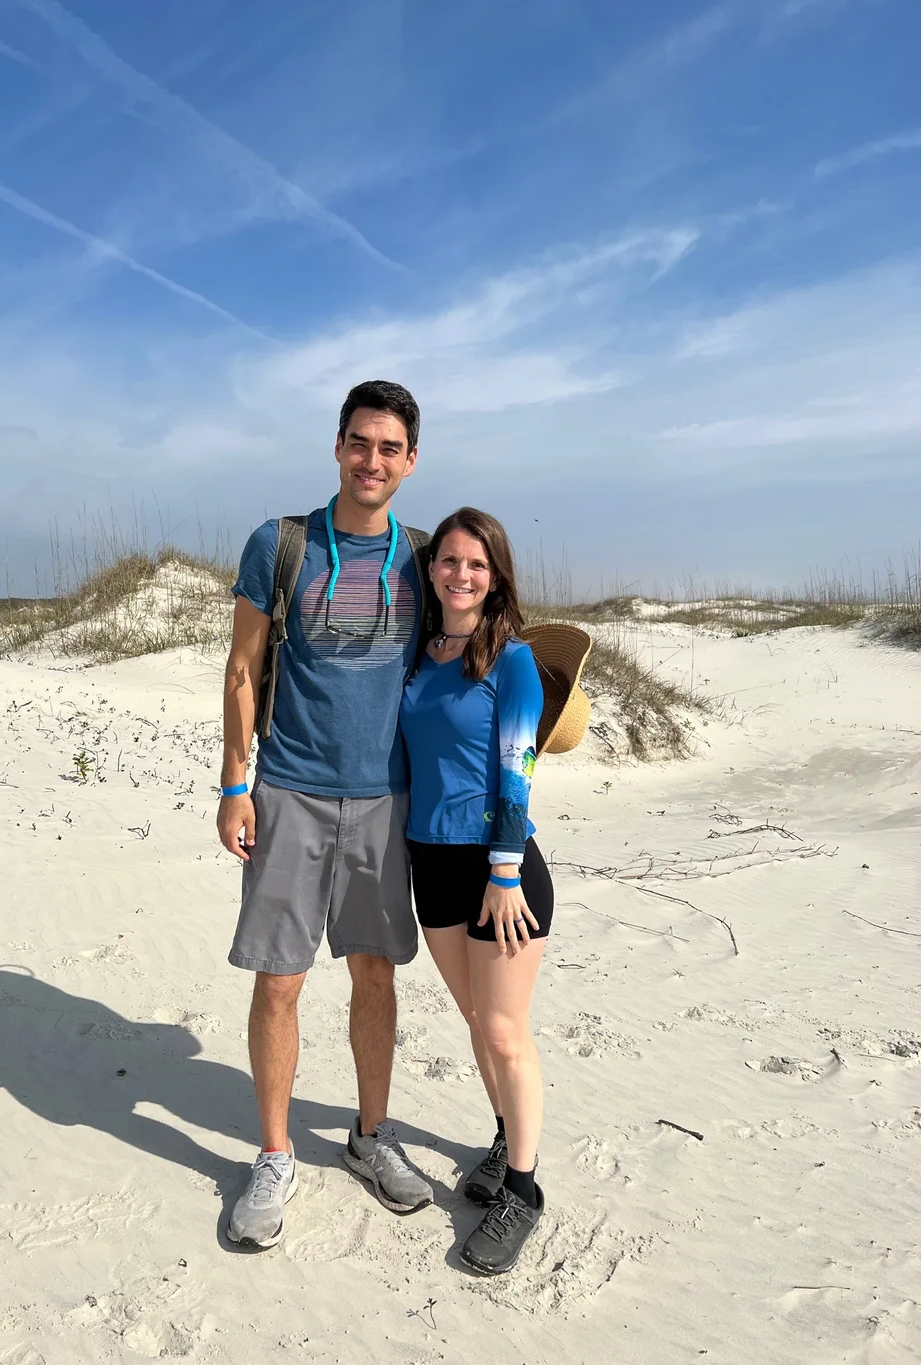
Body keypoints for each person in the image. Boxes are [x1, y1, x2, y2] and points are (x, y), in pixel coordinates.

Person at [218, 380, 434, 1250]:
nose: (371, 459)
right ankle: (274, 1154)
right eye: (359, 442)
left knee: (376, 975)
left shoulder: (423, 557)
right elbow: (241, 667)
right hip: (290, 792)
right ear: (337, 446)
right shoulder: (282, 545)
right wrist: (236, 781)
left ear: (410, 461)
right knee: (280, 979)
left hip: (388, 800)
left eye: (389, 447)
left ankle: (370, 1135)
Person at [399, 507, 553, 1275]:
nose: (461, 574)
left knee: (502, 1029)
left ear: (496, 578)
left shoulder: (511, 658)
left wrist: (502, 869)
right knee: (472, 1016)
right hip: (432, 862)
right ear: (432, 571)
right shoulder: (420, 656)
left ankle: (523, 1188)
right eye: (449, 561)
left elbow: (518, 766)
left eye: (477, 565)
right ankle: (503, 1134)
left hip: (501, 872)